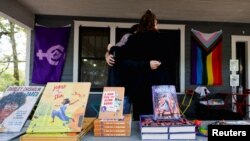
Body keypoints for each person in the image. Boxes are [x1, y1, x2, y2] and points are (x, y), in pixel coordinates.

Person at [109, 9, 175, 120]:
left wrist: (111, 49)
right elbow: (171, 60)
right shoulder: (164, 38)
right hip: (161, 87)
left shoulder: (134, 39)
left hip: (139, 87)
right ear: (154, 23)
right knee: (163, 120)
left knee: (142, 120)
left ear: (141, 25)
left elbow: (120, 56)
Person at [105, 24, 139, 114]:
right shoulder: (128, 42)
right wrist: (108, 53)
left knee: (120, 118)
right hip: (123, 89)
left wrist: (109, 51)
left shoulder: (118, 50)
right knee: (121, 118)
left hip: (125, 89)